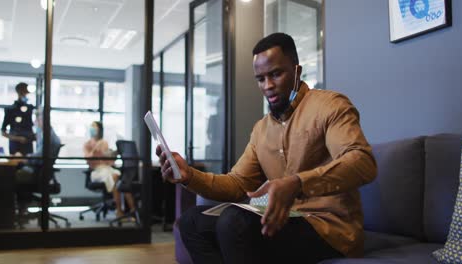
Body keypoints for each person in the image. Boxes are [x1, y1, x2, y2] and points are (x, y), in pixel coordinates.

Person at [157, 33, 377, 263]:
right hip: (283, 220)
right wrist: (188, 175)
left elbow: (362, 162)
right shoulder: (261, 130)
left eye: (276, 74)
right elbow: (237, 184)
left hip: (328, 228)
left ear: (297, 71)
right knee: (191, 222)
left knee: (234, 221)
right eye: (260, 79)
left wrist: (297, 183)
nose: (268, 86)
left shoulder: (330, 106)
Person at [83, 121, 135, 218]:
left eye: (94, 127)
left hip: (107, 169)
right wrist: (95, 149)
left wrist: (113, 155)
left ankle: (131, 210)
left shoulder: (104, 142)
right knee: (114, 178)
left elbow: (109, 161)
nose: (92, 129)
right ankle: (119, 210)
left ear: (99, 129)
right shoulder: (87, 144)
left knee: (123, 180)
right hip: (96, 171)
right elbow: (87, 159)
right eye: (91, 127)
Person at [1, 82, 35, 155]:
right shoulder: (10, 110)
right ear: (19, 92)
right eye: (24, 93)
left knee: (28, 163)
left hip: (27, 144)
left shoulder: (29, 109)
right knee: (15, 163)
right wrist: (18, 138)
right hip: (15, 145)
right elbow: (3, 132)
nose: (26, 95)